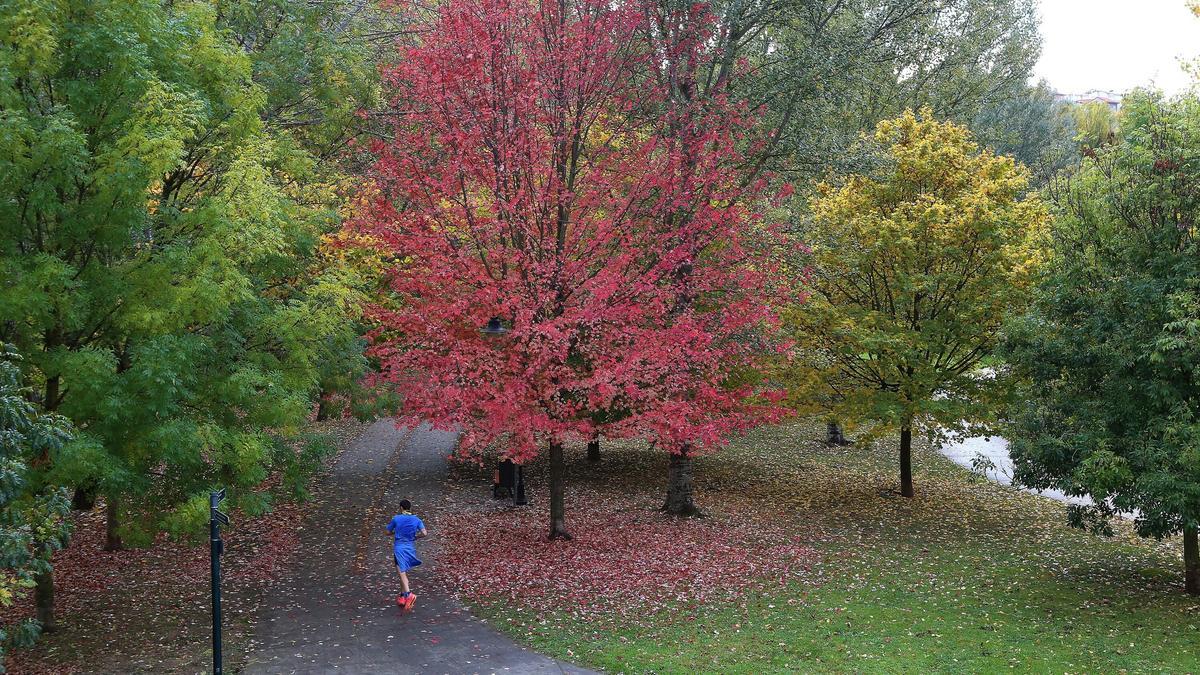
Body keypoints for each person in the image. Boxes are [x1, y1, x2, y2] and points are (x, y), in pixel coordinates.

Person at [386, 499, 427, 611]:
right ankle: (402, 596)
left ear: (401, 508)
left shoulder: (396, 519)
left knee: (401, 572)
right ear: (410, 508)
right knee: (403, 572)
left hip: (399, 549)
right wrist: (416, 537)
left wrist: (396, 532)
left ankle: (408, 594)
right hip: (410, 548)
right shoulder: (417, 520)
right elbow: (424, 533)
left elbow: (387, 532)